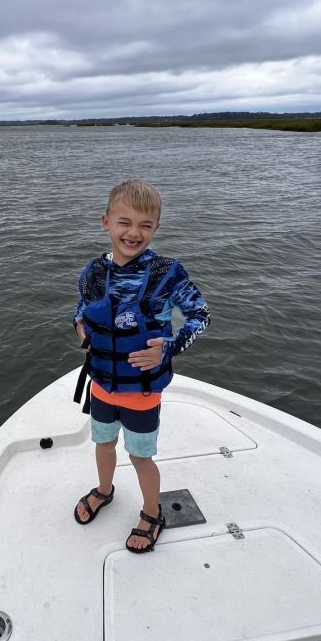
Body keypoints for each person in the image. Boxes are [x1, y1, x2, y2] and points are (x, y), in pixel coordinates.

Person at [72, 179, 211, 552]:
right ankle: (104, 489)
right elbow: (80, 310)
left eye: (145, 225)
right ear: (106, 222)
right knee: (102, 443)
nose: (133, 233)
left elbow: (200, 314)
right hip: (100, 383)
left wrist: (168, 347)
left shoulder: (168, 272)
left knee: (139, 454)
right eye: (124, 222)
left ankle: (152, 513)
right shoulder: (92, 272)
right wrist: (80, 329)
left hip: (142, 391)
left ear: (156, 229)